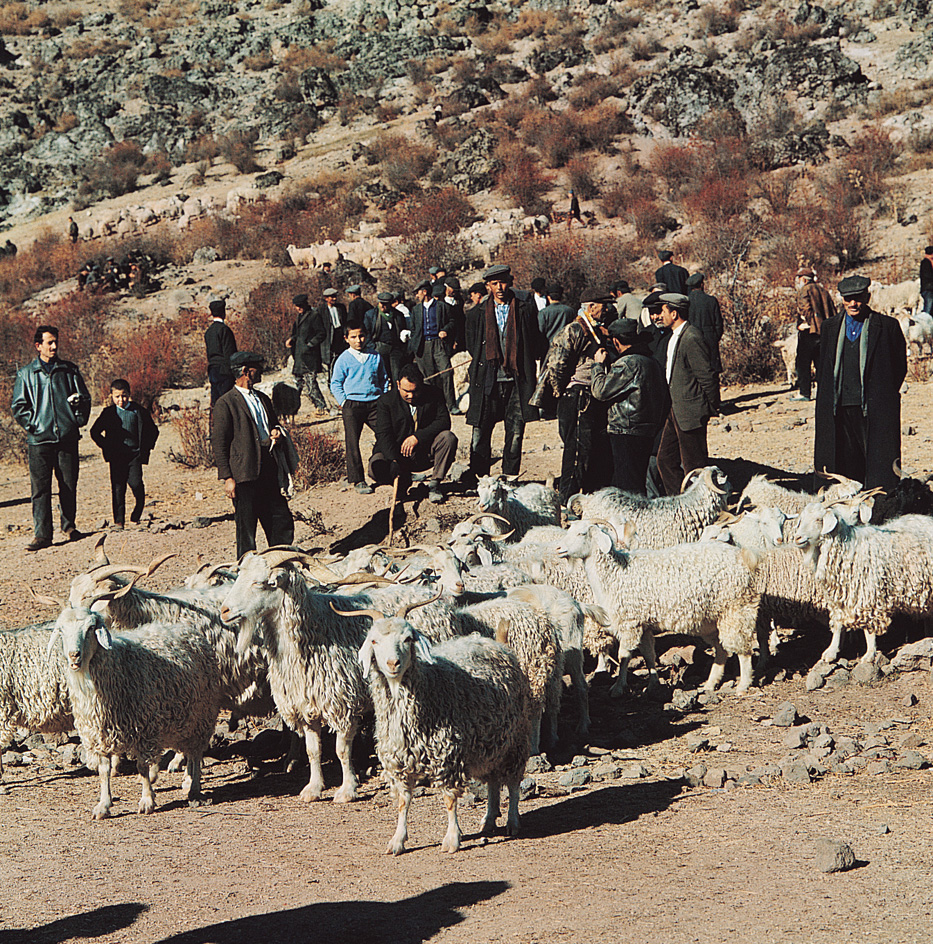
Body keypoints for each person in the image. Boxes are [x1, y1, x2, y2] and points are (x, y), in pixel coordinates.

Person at [813, 275, 907, 492]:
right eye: (848, 299)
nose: (853, 304)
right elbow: (823, 367)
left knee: (878, 459)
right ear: (842, 299)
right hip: (839, 406)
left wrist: (883, 394)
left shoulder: (887, 326)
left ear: (868, 297)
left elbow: (898, 367)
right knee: (843, 458)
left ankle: (880, 504)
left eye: (858, 298)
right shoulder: (830, 327)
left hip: (875, 406)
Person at [11, 325, 91, 551]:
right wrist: (34, 425)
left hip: (66, 438)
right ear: (38, 346)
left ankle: (69, 527)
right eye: (49, 342)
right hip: (39, 441)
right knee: (40, 489)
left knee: (68, 484)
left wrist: (77, 419)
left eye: (56, 342)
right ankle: (42, 535)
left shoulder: (70, 370)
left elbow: (84, 398)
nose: (54, 346)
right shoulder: (26, 374)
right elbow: (18, 406)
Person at [464, 264, 543, 481]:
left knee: (516, 433)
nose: (500, 288)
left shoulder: (524, 309)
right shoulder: (475, 314)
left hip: (517, 380)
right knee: (480, 432)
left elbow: (534, 341)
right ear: (488, 286)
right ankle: (480, 478)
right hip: (487, 379)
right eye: (494, 283)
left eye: (503, 282)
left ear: (510, 282)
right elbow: (473, 346)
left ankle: (509, 477)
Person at [213, 351, 295, 558]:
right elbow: (219, 443)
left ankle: (281, 559)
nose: (261, 371)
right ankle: (247, 570)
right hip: (244, 474)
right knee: (246, 527)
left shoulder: (263, 398)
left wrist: (275, 430)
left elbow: (273, 422)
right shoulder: (226, 403)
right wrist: (228, 478)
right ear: (245, 371)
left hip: (269, 468)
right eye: (256, 367)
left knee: (279, 519)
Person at [537, 288, 614, 501]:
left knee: (590, 450)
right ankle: (567, 500)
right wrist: (561, 391)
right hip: (578, 397)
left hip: (590, 396)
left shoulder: (595, 329)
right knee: (577, 452)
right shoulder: (574, 330)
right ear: (591, 307)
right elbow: (556, 365)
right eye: (603, 305)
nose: (606, 309)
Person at [591, 319, 669, 494]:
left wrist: (598, 366)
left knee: (627, 485)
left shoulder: (628, 363)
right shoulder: (652, 361)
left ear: (616, 341)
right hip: (648, 429)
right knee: (638, 479)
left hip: (625, 430)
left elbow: (600, 391)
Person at [655, 293, 719, 496]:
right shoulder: (674, 336)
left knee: (695, 466)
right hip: (675, 409)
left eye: (663, 311)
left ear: (674, 314)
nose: (659, 316)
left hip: (691, 411)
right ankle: (680, 502)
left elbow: (706, 375)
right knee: (665, 460)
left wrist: (710, 406)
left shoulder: (692, 337)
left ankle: (702, 504)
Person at [369, 363, 458, 504]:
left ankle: (434, 485)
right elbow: (383, 434)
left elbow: (443, 422)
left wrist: (418, 437)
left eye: (415, 391)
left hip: (424, 453)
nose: (410, 396)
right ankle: (402, 485)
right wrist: (394, 460)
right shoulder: (386, 401)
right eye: (406, 391)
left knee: (448, 438)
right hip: (397, 455)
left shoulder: (434, 394)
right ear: (398, 384)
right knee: (375, 466)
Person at [90, 379, 159, 529]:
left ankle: (138, 509)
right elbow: (94, 432)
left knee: (135, 483)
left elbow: (153, 431)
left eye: (124, 396)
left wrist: (146, 448)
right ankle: (119, 521)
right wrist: (106, 446)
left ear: (129, 395)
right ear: (111, 396)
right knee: (118, 487)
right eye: (117, 397)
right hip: (117, 456)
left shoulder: (138, 411)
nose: (121, 400)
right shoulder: (108, 413)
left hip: (134, 455)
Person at [330, 321, 389, 494]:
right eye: (353, 337)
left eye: (361, 336)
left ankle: (396, 468)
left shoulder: (375, 356)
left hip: (375, 403)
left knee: (387, 433)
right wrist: (344, 401)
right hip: (352, 405)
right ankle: (357, 479)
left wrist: (383, 397)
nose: (358, 340)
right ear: (346, 339)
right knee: (352, 441)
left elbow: (384, 379)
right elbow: (335, 383)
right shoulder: (344, 358)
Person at [409, 279, 458, 414]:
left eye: (417, 293)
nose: (416, 296)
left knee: (446, 372)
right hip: (423, 345)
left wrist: (445, 330)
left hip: (439, 344)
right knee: (429, 377)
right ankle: (432, 406)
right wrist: (414, 344)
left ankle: (451, 405)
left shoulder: (442, 306)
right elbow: (413, 328)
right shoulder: (416, 309)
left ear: (425, 292)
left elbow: (453, 322)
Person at [792, 267, 835, 401]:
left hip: (809, 331)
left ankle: (804, 393)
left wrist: (808, 322)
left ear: (803, 279)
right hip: (824, 332)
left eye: (799, 279)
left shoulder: (804, 290)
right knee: (820, 363)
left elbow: (805, 309)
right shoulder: (823, 290)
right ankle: (825, 392)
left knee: (803, 363)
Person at [286, 293, 329, 415]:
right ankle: (293, 410)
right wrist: (292, 339)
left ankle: (321, 407)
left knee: (311, 384)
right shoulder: (299, 317)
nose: (298, 308)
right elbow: (297, 334)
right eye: (296, 306)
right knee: (298, 384)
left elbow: (321, 334)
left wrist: (309, 345)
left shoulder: (314, 316)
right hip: (299, 356)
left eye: (300, 305)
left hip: (310, 357)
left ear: (305, 304)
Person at [685, 272, 724, 383]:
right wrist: (714, 337)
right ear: (702, 284)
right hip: (709, 338)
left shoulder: (686, 301)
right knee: (712, 371)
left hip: (691, 339)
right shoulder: (711, 300)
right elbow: (719, 324)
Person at [368, 292, 408, 383]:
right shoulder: (371, 315)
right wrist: (373, 347)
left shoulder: (398, 315)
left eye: (385, 304)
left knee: (396, 374)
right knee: (380, 374)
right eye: (381, 303)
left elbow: (403, 330)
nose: (382, 306)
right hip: (379, 348)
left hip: (395, 349)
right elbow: (367, 333)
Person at [204, 298, 237, 406]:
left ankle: (214, 422)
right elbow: (230, 353)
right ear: (223, 313)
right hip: (225, 370)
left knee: (216, 402)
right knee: (227, 402)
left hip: (213, 369)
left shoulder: (209, 332)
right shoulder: (224, 330)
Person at [319, 286, 347, 372]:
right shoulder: (321, 310)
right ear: (326, 298)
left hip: (339, 335)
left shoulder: (341, 308)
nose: (334, 299)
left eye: (335, 296)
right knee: (330, 360)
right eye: (332, 297)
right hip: (329, 336)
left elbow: (345, 321)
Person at [920, 246, 933, 316]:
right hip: (928, 289)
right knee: (928, 309)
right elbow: (927, 275)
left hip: (929, 289)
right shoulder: (925, 263)